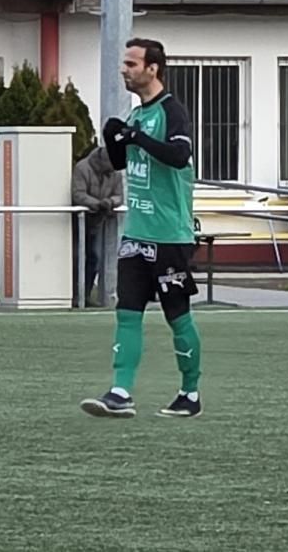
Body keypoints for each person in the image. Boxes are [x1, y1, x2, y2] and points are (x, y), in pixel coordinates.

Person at [79, 37, 205, 419]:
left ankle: (190, 393)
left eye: (132, 64)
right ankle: (120, 392)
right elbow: (119, 162)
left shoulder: (172, 111)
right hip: (136, 233)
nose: (124, 70)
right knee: (127, 310)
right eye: (125, 63)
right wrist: (114, 135)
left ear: (153, 68)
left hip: (170, 235)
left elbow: (179, 155)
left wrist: (138, 137)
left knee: (177, 315)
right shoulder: (136, 115)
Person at [71, 145, 124, 306]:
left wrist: (110, 202)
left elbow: (119, 195)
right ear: (103, 161)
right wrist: (97, 204)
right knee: (78, 257)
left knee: (95, 258)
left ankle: (85, 295)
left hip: (101, 221)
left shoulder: (115, 171)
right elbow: (78, 194)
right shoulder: (82, 168)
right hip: (80, 221)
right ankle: (75, 295)